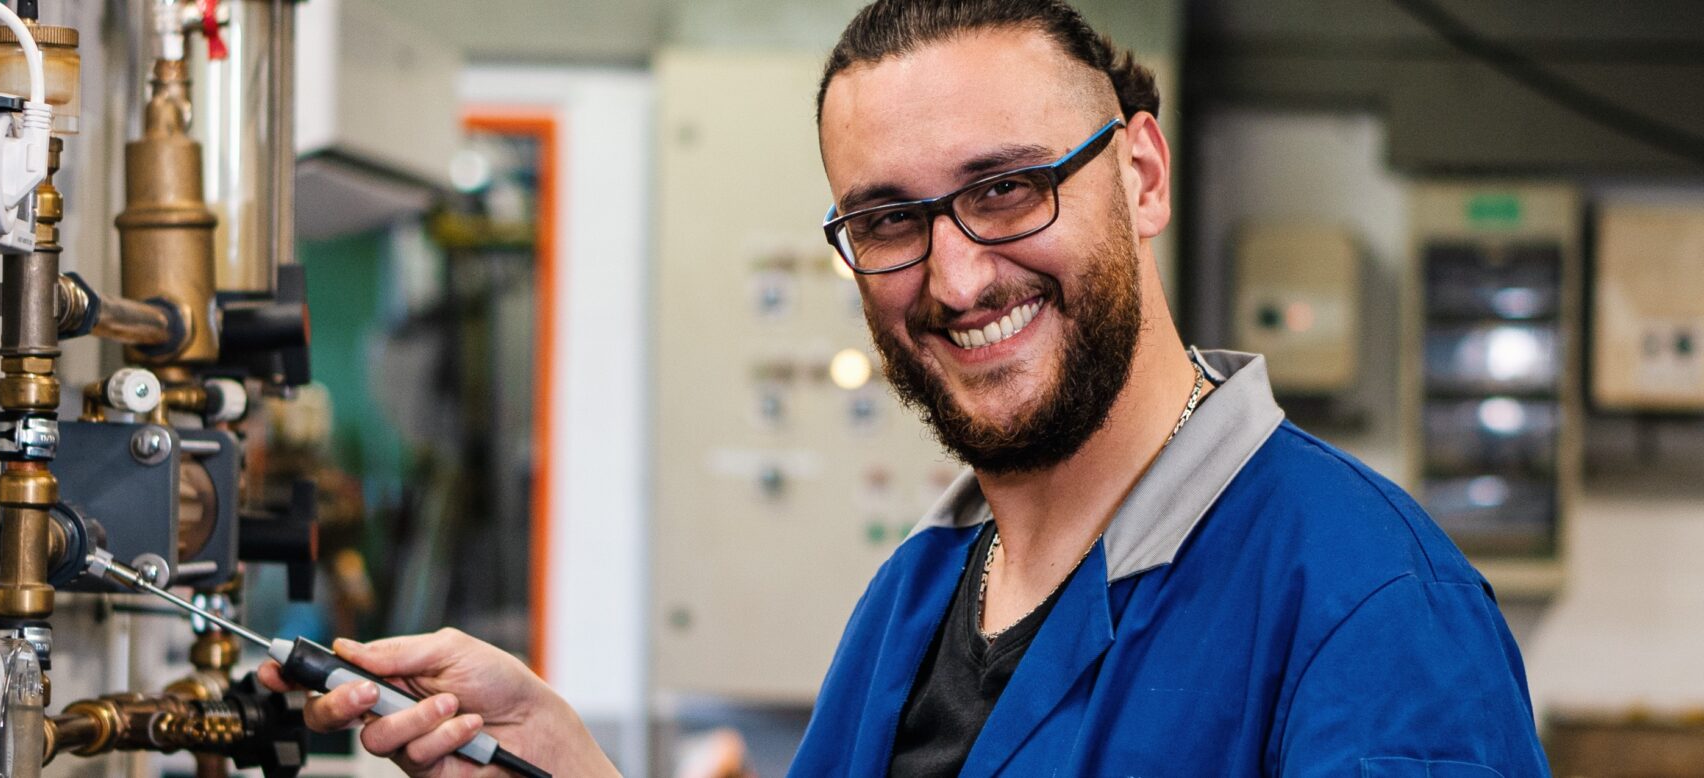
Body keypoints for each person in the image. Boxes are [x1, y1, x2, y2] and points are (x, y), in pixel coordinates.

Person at [260, 0, 1552, 774]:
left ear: (1142, 176)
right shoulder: (917, 598)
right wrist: (567, 761)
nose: (956, 274)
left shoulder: (1367, 602)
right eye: (888, 218)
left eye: (1009, 187)